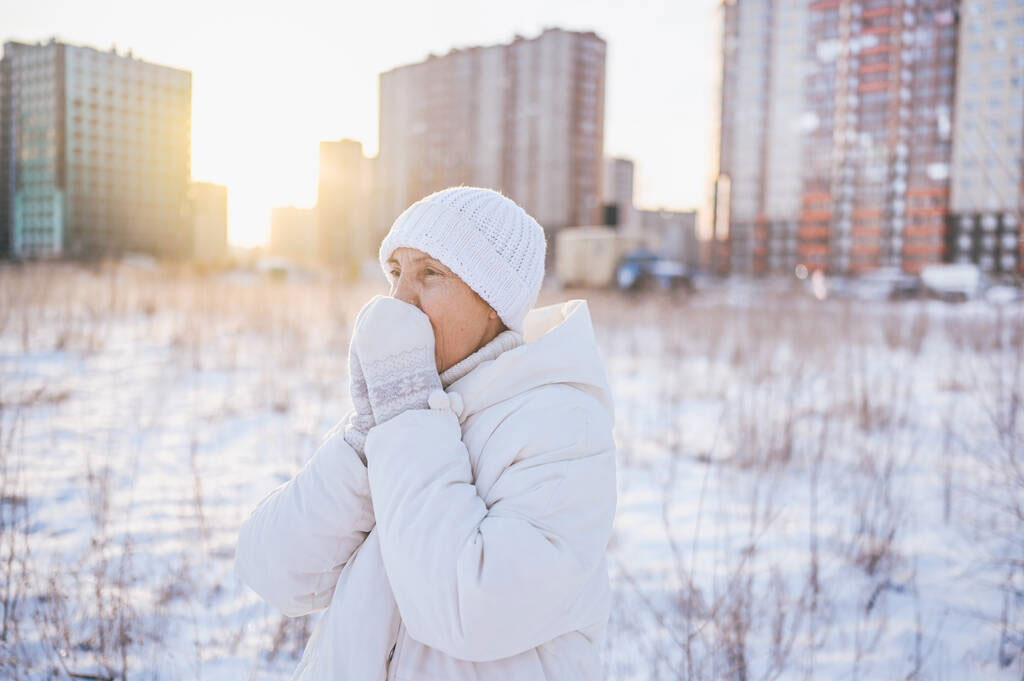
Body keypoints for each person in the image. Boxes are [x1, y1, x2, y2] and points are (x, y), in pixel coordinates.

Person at [234, 186, 618, 680]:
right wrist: (365, 442)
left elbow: (470, 613)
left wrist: (406, 419)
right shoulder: (405, 410)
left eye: (430, 274)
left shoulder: (563, 426)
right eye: (396, 272)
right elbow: (274, 572)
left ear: (493, 301)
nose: (400, 300)